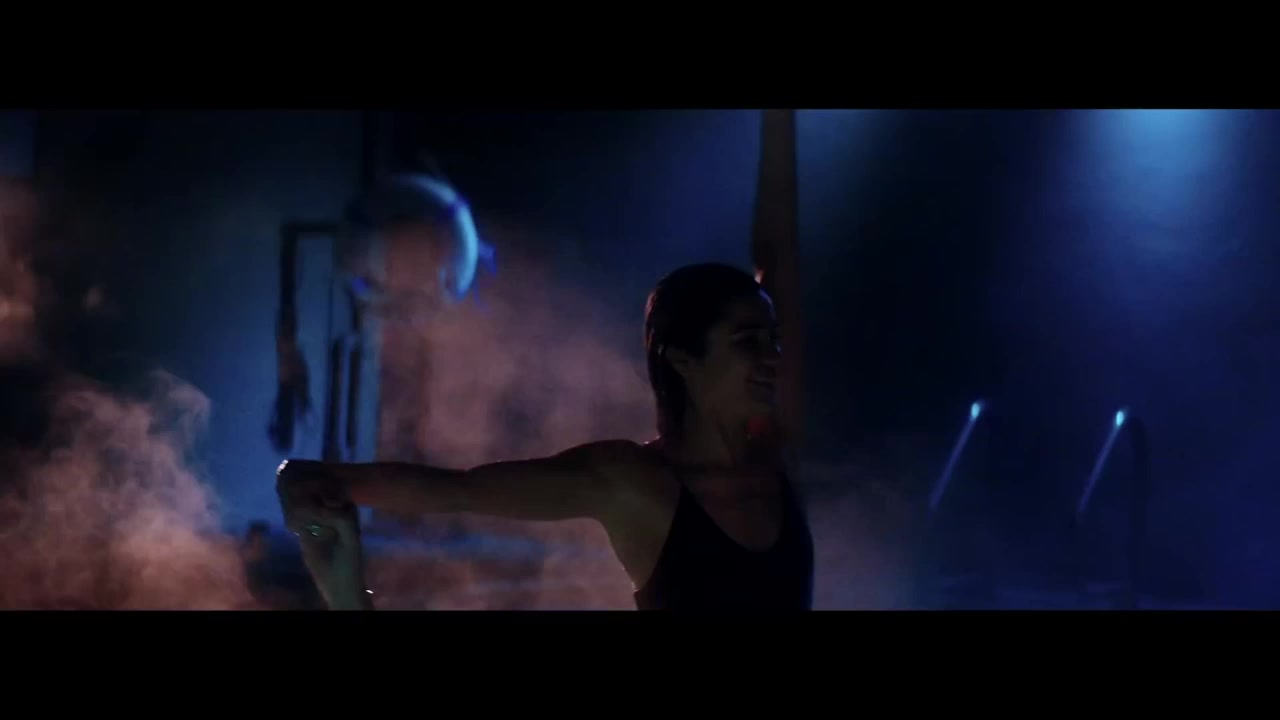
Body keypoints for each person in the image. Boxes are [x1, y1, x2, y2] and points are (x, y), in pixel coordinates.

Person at [276, 109, 809, 610]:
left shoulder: (768, 447)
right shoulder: (634, 483)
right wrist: (324, 480)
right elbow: (461, 490)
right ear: (684, 360)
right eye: (748, 341)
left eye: (774, 338)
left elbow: (778, 256)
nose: (774, 356)